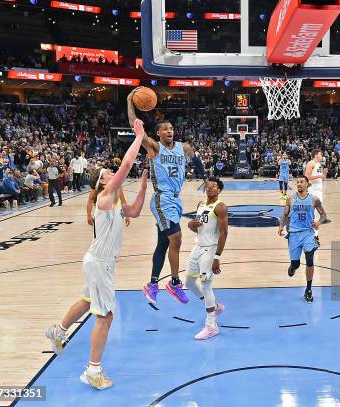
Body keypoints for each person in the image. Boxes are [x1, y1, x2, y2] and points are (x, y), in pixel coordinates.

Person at [44, 119, 149, 390]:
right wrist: (138, 137)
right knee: (105, 316)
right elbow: (125, 166)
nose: (111, 174)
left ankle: (58, 330)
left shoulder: (113, 203)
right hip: (99, 263)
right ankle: (93, 370)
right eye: (107, 174)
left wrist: (143, 188)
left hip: (98, 261)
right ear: (102, 182)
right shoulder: (104, 198)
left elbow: (134, 212)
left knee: (86, 299)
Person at [126, 89, 195, 304]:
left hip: (176, 199)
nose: (169, 131)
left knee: (164, 244)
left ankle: (152, 284)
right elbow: (134, 129)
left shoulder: (183, 148)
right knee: (177, 238)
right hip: (162, 199)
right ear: (158, 134)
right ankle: (174, 284)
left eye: (171, 128)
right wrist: (130, 101)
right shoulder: (155, 148)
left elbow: (196, 158)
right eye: (165, 129)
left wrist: (205, 175)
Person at [185, 178, 228, 340]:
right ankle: (215, 306)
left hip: (210, 250)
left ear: (219, 190)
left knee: (206, 285)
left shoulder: (220, 207)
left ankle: (211, 326)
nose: (210, 188)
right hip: (197, 247)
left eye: (214, 186)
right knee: (189, 282)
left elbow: (224, 233)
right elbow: (199, 229)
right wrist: (190, 225)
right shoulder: (200, 205)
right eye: (208, 186)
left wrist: (217, 256)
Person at [279, 176, 327, 303]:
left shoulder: (314, 199)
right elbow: (284, 215)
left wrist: (319, 223)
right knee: (296, 264)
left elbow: (323, 215)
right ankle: (292, 267)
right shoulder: (290, 199)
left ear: (307, 184)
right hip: (294, 234)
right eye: (297, 182)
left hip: (309, 233)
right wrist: (280, 226)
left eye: (301, 182)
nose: (299, 184)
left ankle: (309, 289)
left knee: (310, 258)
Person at [305, 149, 327, 242]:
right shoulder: (311, 163)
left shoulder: (319, 165)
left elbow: (322, 178)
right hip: (312, 190)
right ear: (316, 155)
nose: (322, 155)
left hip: (318, 190)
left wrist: (324, 174)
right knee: (312, 213)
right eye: (320, 154)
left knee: (316, 214)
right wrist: (320, 176)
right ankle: (311, 235)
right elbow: (307, 176)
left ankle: (315, 235)